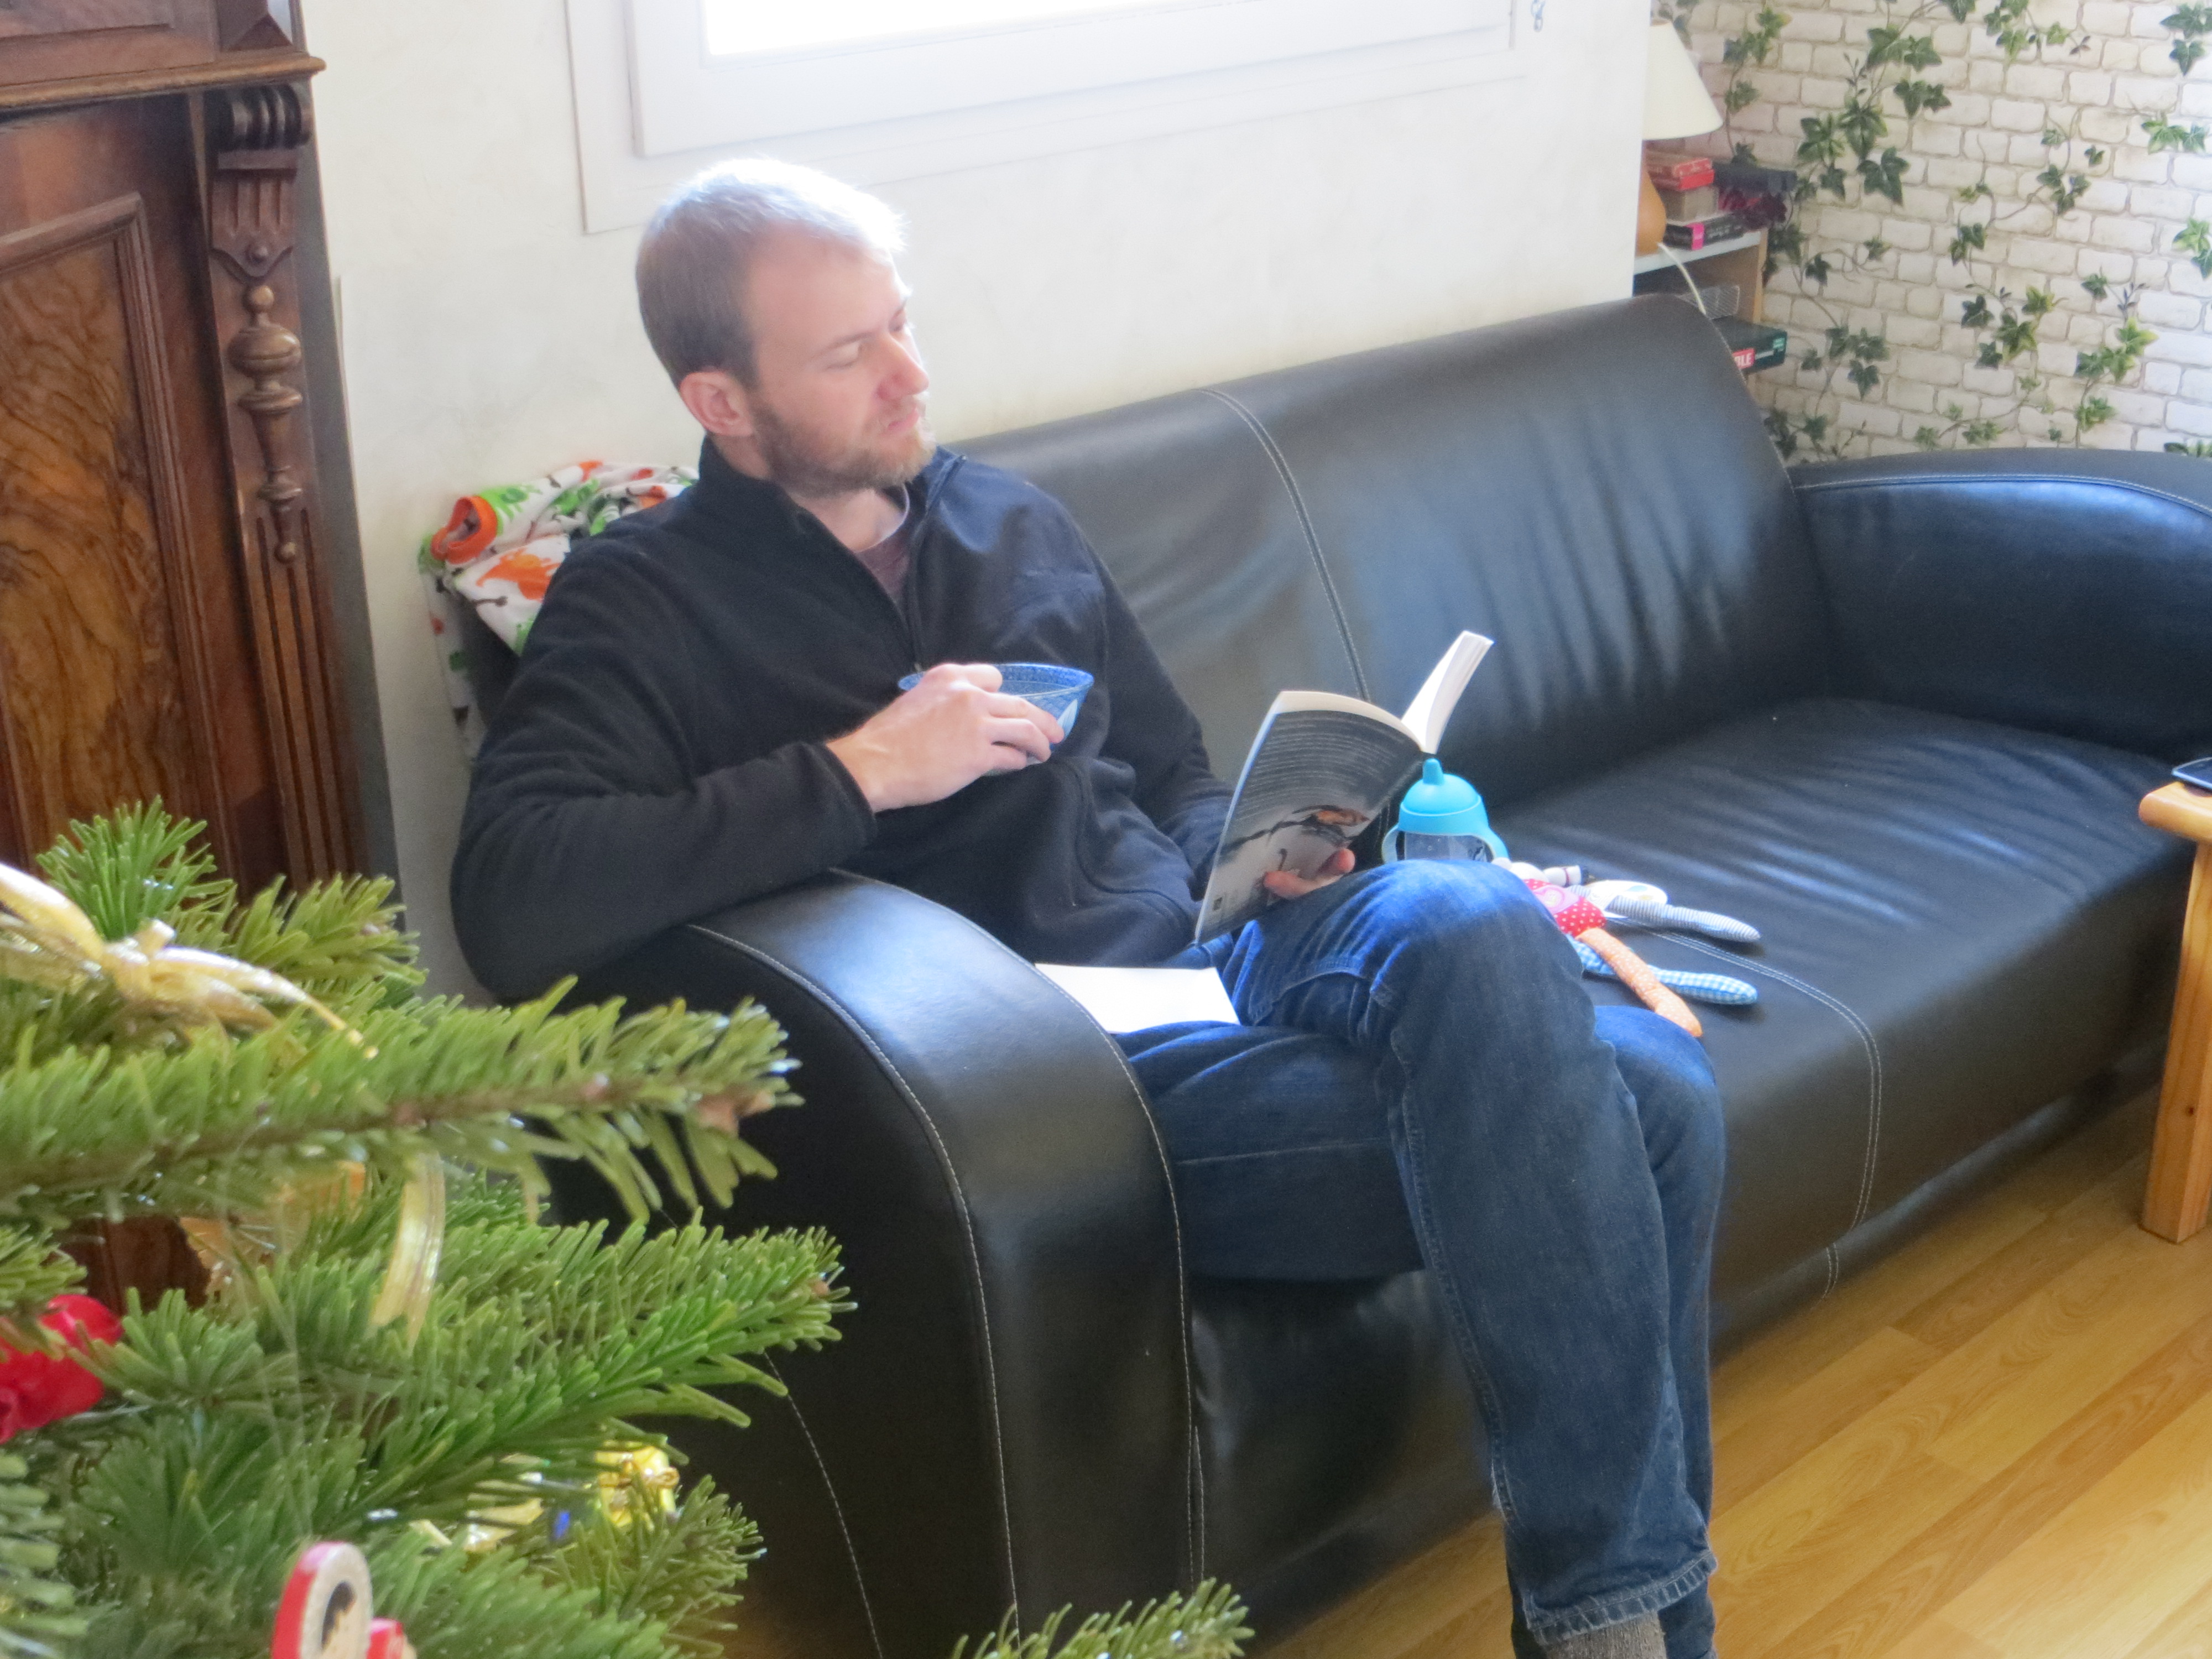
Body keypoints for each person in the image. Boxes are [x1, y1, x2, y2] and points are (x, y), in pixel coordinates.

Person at [452, 160, 1725, 1659]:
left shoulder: (1012, 520)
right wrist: (862, 772)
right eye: (850, 353)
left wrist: (1264, 853)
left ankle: (1603, 1625)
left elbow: (1170, 767)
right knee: (1652, 1103)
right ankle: (1630, 1633)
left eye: (902, 322)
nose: (910, 373)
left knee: (1468, 918)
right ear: (721, 401)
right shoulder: (643, 599)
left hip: (1217, 949)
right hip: (1045, 1077)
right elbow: (515, 893)